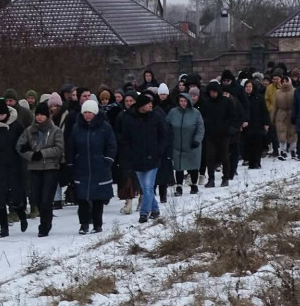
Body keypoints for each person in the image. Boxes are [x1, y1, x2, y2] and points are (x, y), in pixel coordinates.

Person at [66, 99, 117, 234]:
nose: (87, 115)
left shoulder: (105, 127)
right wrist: (71, 162)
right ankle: (84, 224)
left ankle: (97, 224)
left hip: (99, 166)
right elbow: (71, 146)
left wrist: (107, 159)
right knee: (82, 197)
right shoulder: (77, 127)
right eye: (85, 112)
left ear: (95, 113)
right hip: (81, 166)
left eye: (90, 112)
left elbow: (111, 145)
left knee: (97, 198)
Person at [17, 102, 64, 237]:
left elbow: (59, 148)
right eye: (37, 115)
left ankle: (45, 225)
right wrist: (31, 155)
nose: (39, 117)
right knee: (36, 198)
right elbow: (20, 146)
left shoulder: (56, 131)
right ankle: (44, 220)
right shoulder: (29, 131)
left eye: (42, 115)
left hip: (51, 167)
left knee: (46, 199)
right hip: (35, 167)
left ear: (47, 116)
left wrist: (43, 153)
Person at [123, 94, 171, 222]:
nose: (151, 105)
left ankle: (144, 213)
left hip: (153, 158)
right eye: (148, 103)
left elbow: (165, 135)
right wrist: (129, 154)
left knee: (148, 186)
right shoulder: (130, 119)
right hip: (137, 158)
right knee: (145, 187)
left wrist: (159, 150)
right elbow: (125, 139)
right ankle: (155, 209)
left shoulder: (156, 117)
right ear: (141, 106)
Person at [0, 101, 27, 237]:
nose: (0, 117)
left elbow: (23, 144)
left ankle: (22, 216)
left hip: (14, 165)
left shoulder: (16, 125)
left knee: (15, 199)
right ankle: (4, 228)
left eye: (2, 114)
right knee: (0, 200)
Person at [197, 81, 239, 187]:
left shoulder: (226, 101)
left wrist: (229, 127)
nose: (213, 94)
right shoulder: (206, 103)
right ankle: (211, 179)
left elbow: (233, 116)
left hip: (224, 134)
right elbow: (203, 117)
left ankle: (225, 178)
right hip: (210, 134)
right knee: (210, 157)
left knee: (224, 156)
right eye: (211, 92)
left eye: (214, 92)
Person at [166, 91, 204, 195]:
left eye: (185, 101)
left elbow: (200, 128)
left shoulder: (196, 113)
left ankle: (194, 185)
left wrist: (197, 139)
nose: (183, 103)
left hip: (192, 144)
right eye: (181, 101)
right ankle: (179, 186)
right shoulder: (173, 112)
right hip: (177, 144)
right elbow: (166, 125)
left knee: (193, 166)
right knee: (179, 167)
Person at [271, 75, 296, 158]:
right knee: (281, 133)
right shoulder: (278, 92)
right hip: (281, 114)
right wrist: (272, 117)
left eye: (286, 81)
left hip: (292, 113)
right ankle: (282, 150)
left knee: (292, 133)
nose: (284, 83)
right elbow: (275, 106)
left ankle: (292, 150)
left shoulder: (294, 91)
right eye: (283, 81)